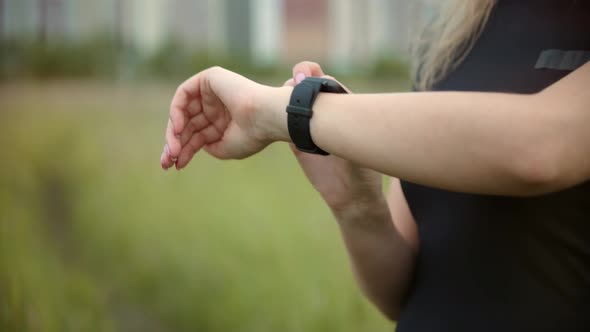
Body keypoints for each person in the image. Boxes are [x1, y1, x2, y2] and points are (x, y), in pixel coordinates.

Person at [160, 0, 590, 331]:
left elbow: (538, 148)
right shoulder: (458, 32)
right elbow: (401, 291)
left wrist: (280, 112)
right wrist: (357, 204)